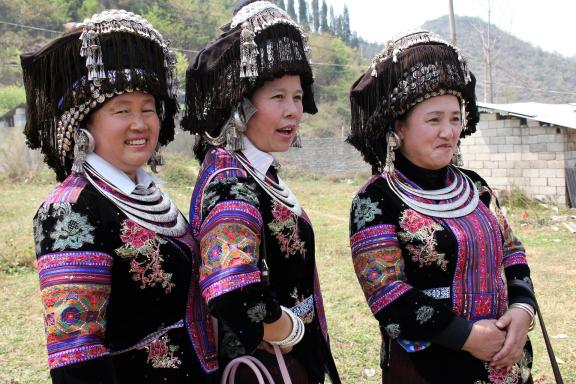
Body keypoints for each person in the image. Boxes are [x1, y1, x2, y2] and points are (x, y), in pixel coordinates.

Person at [23, 9, 217, 383]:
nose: (140, 123)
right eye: (121, 110)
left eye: (148, 109)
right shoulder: (70, 211)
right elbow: (77, 354)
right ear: (84, 124)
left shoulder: (148, 194)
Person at [347, 30, 536, 384]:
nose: (448, 131)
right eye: (433, 120)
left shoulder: (475, 186)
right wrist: (468, 337)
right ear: (398, 127)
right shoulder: (375, 200)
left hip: (506, 361)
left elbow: (512, 252)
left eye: (454, 118)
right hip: (428, 368)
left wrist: (522, 310)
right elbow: (387, 294)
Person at [182, 1, 341, 383]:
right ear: (241, 105)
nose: (293, 111)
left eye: (298, 97)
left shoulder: (259, 172)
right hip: (265, 367)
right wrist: (291, 331)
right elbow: (232, 290)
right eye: (277, 97)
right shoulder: (229, 179)